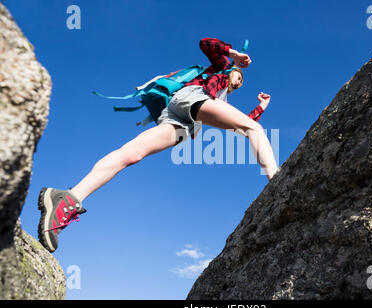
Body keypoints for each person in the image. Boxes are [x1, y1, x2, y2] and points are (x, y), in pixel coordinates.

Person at [37, 37, 279, 253]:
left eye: (238, 85)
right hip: (191, 99)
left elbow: (240, 123)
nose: (236, 84)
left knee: (131, 154)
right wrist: (234, 55)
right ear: (231, 72)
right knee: (254, 130)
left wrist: (262, 107)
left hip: (183, 120)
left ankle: (68, 198)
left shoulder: (221, 98)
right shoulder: (221, 68)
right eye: (237, 79)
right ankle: (276, 183)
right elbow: (206, 43)